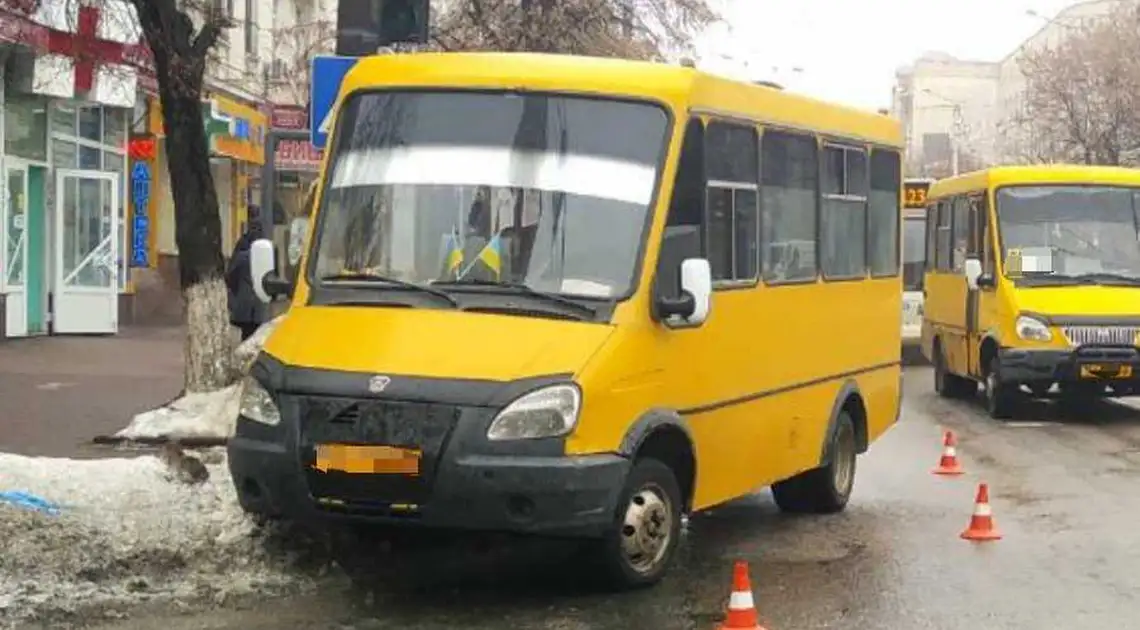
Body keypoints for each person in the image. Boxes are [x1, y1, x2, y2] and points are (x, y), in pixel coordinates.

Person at [226, 210, 264, 341]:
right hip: (262, 308)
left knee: (246, 338)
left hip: (244, 306)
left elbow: (230, 278)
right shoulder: (270, 254)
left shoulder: (242, 255)